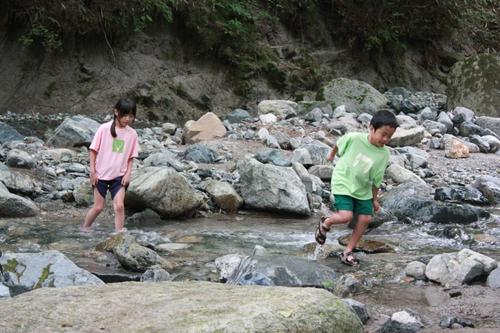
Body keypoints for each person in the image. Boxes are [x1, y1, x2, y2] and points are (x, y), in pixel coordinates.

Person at [315, 110, 399, 266]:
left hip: (363, 189)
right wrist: (332, 155)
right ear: (371, 128)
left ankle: (348, 251)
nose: (386, 139)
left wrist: (374, 200)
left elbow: (376, 180)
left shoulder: (383, 154)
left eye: (390, 136)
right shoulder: (355, 139)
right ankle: (326, 222)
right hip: (343, 182)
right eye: (383, 134)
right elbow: (339, 143)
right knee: (346, 216)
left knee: (366, 218)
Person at [80, 98, 139, 234]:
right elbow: (93, 150)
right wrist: (93, 172)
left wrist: (128, 173)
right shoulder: (104, 129)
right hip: (100, 174)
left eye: (131, 116)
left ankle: (119, 235)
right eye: (125, 115)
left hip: (119, 176)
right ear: (116, 112)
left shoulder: (132, 134)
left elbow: (131, 156)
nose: (127, 119)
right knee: (98, 207)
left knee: (119, 206)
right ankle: (85, 228)